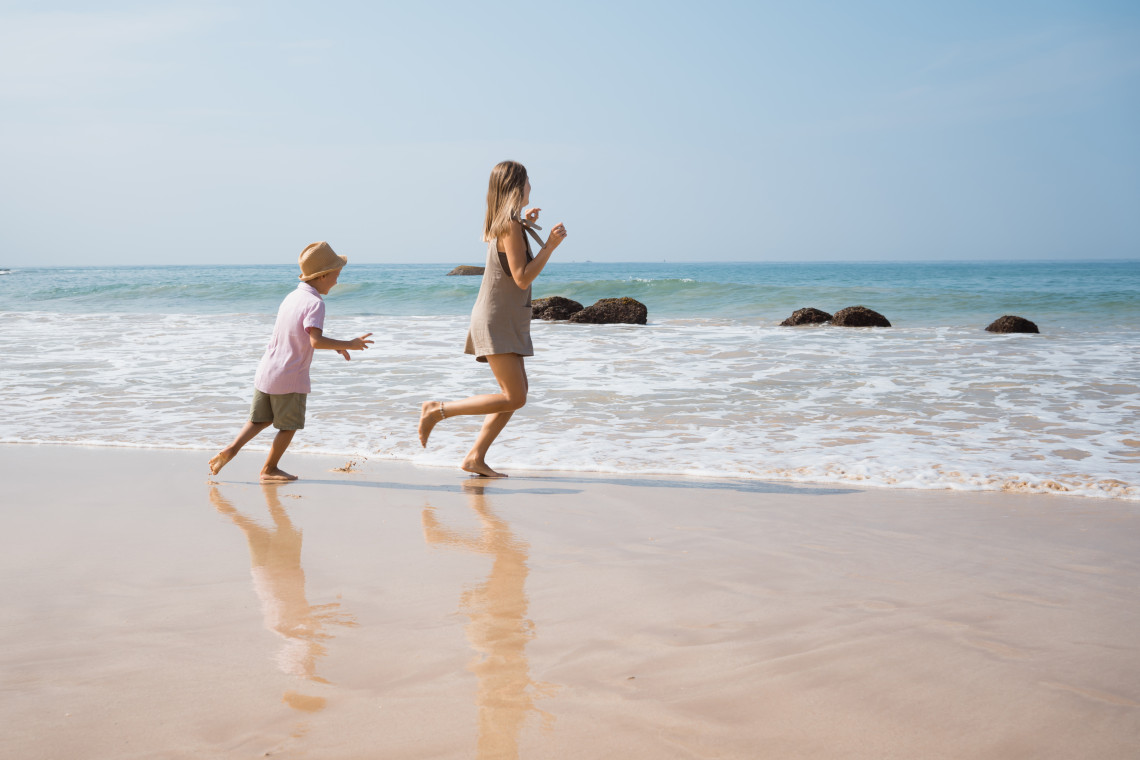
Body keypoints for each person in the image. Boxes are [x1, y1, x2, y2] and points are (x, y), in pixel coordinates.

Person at [418, 160, 568, 477]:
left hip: (506, 317)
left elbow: (510, 258)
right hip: (498, 318)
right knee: (514, 396)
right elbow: (522, 277)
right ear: (517, 187)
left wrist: (526, 223)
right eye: (528, 181)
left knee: (514, 397)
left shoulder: (509, 223)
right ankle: (437, 410)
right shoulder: (509, 226)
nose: (531, 187)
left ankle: (475, 457)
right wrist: (551, 246)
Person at [209, 241, 373, 482]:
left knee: (259, 419)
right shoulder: (316, 303)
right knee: (289, 426)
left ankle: (231, 449)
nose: (337, 281)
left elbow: (298, 335)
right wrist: (348, 344)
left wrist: (336, 346)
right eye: (336, 276)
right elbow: (315, 341)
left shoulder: (292, 296)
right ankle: (269, 469)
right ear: (323, 275)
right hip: (290, 376)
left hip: (267, 370)